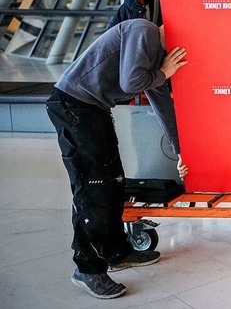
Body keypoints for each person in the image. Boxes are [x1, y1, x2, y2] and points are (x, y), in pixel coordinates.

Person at [46, 18, 188, 299]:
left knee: (113, 183)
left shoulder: (158, 59)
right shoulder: (143, 31)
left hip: (92, 108)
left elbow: (162, 107)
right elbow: (131, 80)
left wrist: (182, 151)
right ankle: (87, 269)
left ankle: (116, 252)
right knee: (95, 187)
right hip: (73, 105)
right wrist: (163, 72)